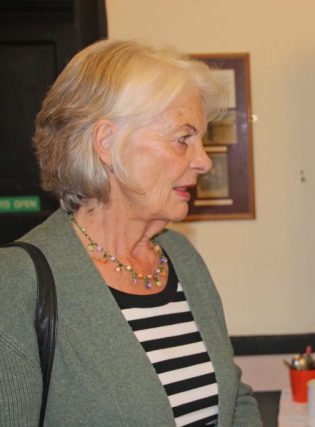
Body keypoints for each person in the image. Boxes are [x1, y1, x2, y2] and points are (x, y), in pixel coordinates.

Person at [0, 40, 262, 426]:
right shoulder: (16, 282)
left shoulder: (181, 257)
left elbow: (235, 400)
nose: (204, 161)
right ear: (107, 143)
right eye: (183, 139)